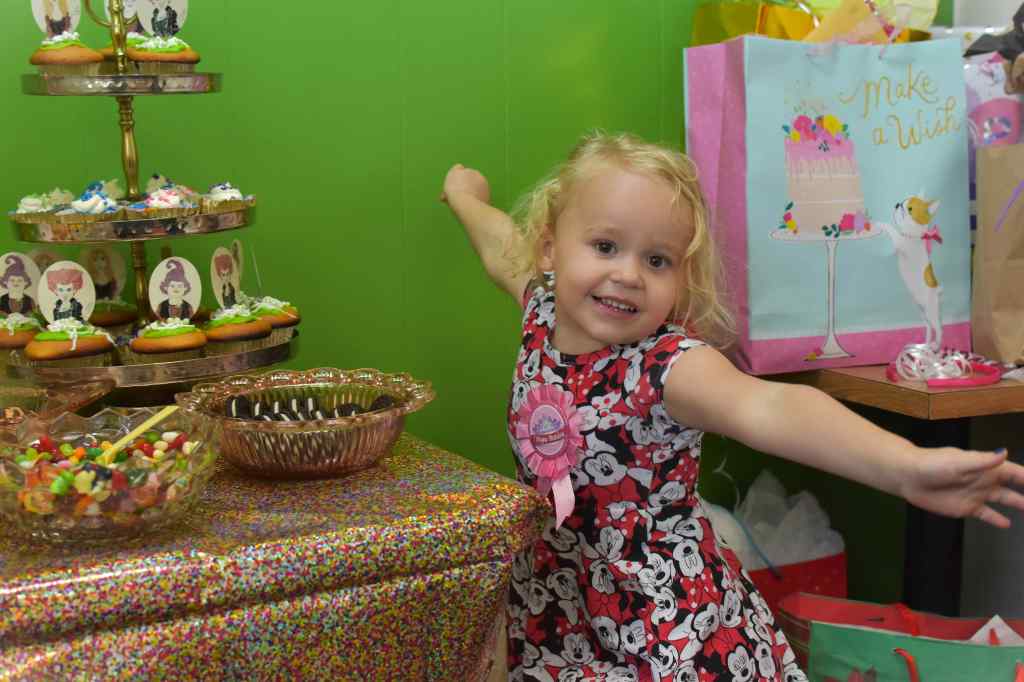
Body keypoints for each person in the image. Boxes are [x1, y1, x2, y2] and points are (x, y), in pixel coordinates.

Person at [441, 131, 1024, 681]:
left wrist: (905, 466)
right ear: (550, 248)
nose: (627, 275)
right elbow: (501, 245)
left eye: (657, 260)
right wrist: (466, 197)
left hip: (663, 627)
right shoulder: (541, 310)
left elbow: (769, 408)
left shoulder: (667, 366)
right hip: (560, 603)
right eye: (605, 246)